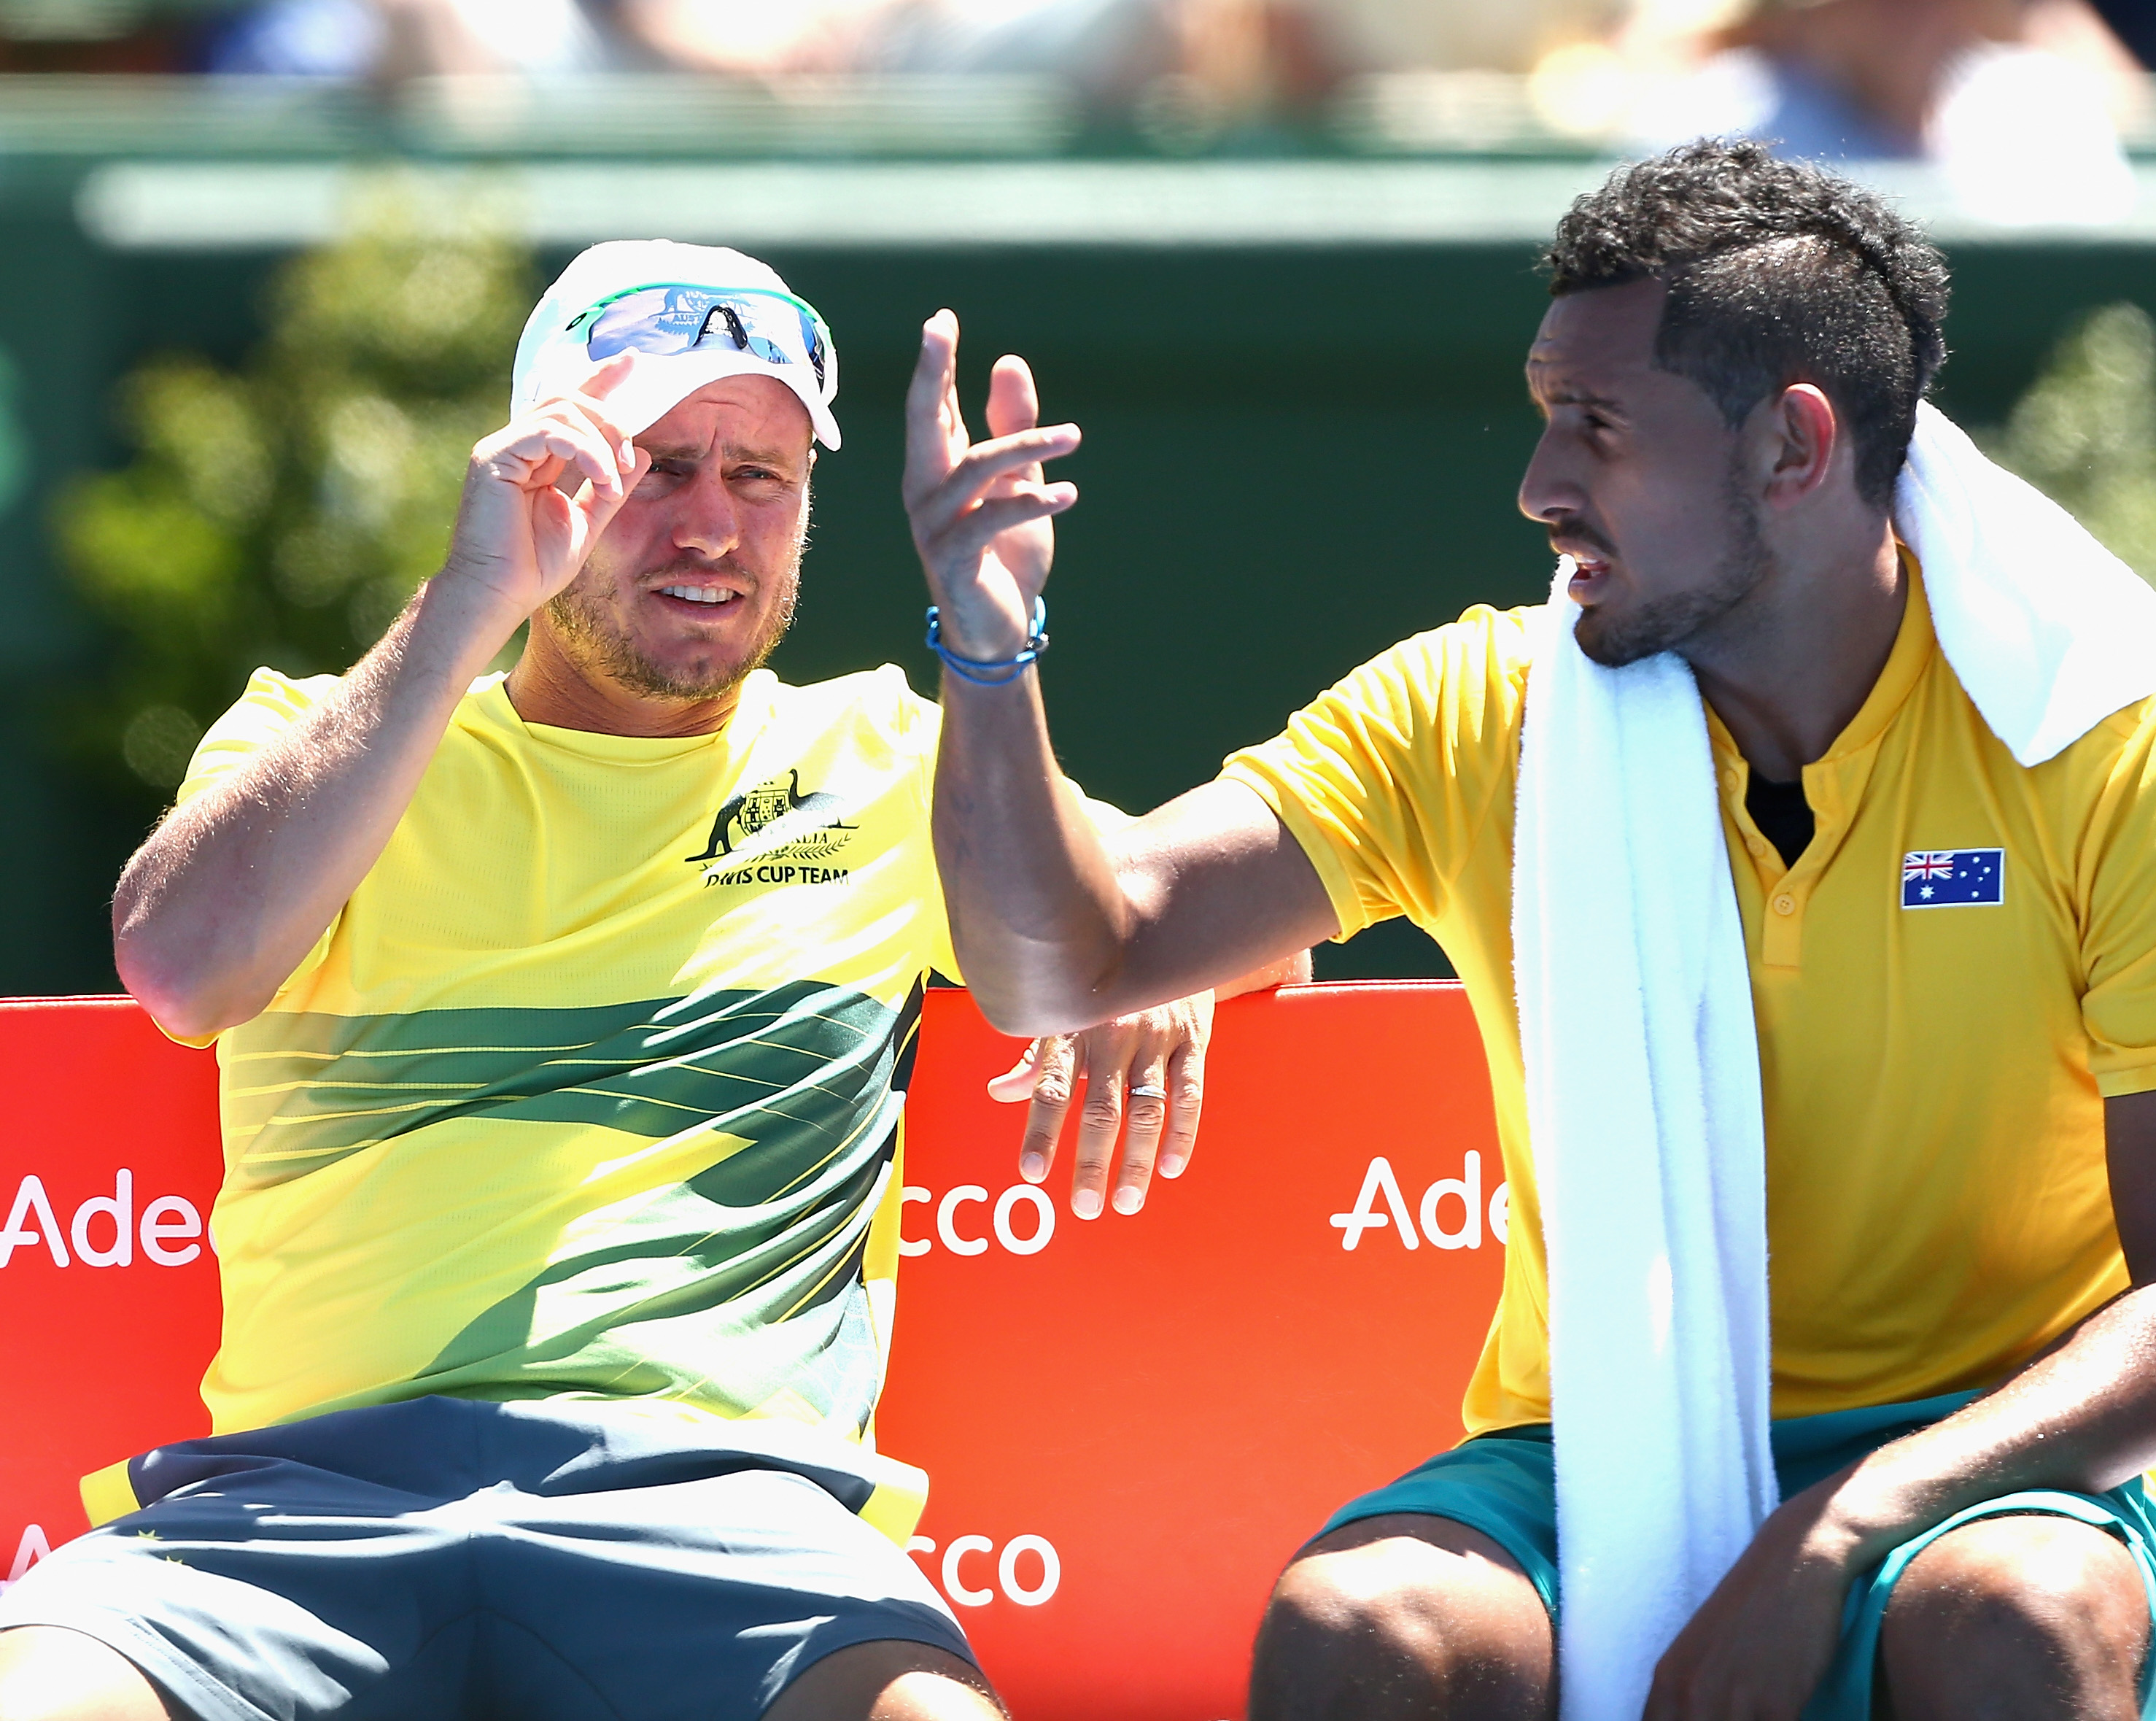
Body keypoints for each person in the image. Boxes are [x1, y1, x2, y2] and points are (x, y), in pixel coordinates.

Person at [903, 141, 2156, 1720]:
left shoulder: (2111, 738)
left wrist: (1837, 1526)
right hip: (1593, 1452)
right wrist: (990, 650)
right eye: (1541, 413)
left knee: (2018, 1616)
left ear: (1792, 444)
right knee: (1366, 1631)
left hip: (1991, 1465)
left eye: (1599, 425)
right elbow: (1058, 967)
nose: (1538, 484)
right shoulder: (1480, 705)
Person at [0, 239, 1292, 1721]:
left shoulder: (885, 758)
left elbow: (1241, 906)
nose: (710, 525)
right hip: (296, 1509)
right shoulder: (324, 734)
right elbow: (179, 967)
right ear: (535, 479)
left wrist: (1151, 961)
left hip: (731, 1519)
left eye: (762, 477)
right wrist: (472, 598)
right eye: (655, 465)